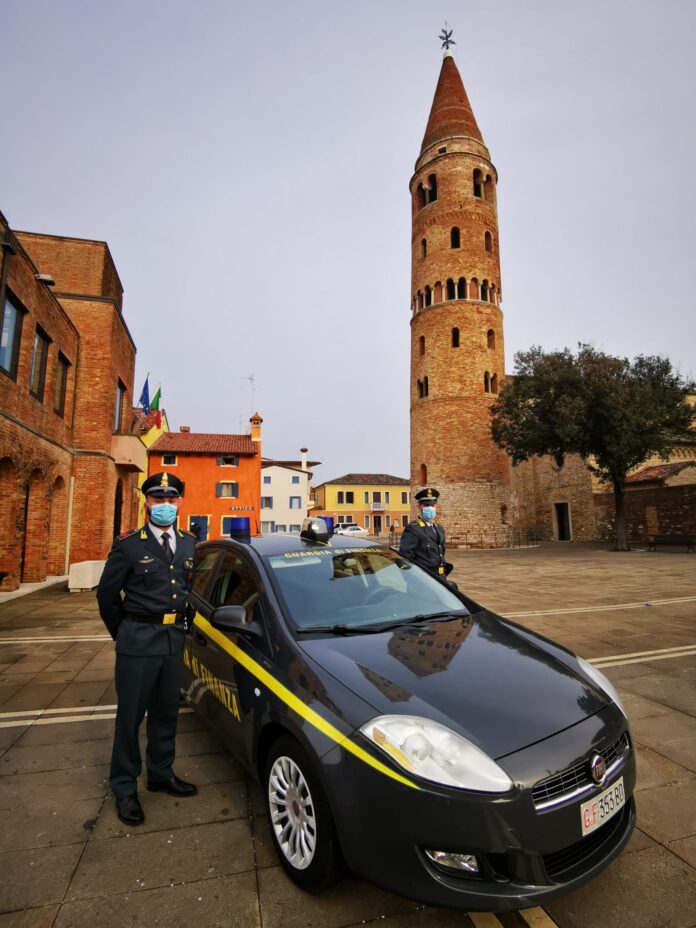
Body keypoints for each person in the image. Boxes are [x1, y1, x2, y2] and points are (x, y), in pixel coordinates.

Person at [97, 472, 198, 826]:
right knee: (130, 717)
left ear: (180, 502)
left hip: (172, 642)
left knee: (166, 712)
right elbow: (107, 596)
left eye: (171, 500)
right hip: (137, 641)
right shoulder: (129, 545)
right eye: (158, 499)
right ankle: (124, 787)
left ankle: (160, 774)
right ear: (147, 502)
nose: (165, 506)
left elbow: (187, 593)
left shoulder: (188, 543)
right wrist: (123, 633)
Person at [399, 487, 453, 579]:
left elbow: (440, 552)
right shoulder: (413, 528)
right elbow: (405, 558)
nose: (430, 508)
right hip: (423, 578)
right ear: (419, 506)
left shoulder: (439, 528)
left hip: (440, 576)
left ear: (436, 506)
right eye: (426, 505)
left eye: (433, 505)